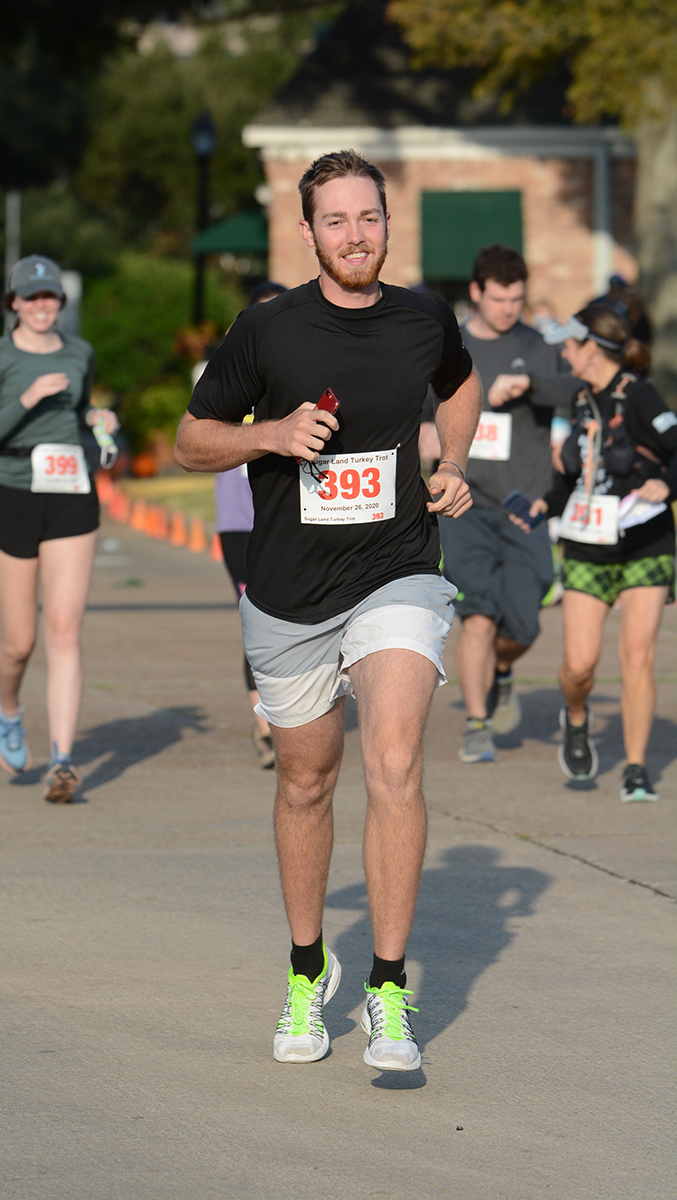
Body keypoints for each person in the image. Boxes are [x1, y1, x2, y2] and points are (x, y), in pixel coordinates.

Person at [175, 150, 481, 1071]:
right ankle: (310, 970)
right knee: (307, 778)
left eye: (370, 217)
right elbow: (193, 438)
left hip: (397, 569)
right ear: (308, 233)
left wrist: (452, 464)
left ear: (390, 222)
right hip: (287, 590)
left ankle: (390, 989)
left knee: (394, 759)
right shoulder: (266, 332)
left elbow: (459, 383)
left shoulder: (425, 316)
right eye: (337, 221)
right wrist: (268, 434)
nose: (357, 236)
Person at [0, 254, 118, 804]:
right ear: (14, 304)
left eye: (49, 296)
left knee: (65, 630)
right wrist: (25, 400)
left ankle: (62, 760)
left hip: (71, 491)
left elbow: (78, 416)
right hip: (9, 492)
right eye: (31, 297)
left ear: (59, 301)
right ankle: (7, 706)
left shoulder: (80, 354)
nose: (42, 305)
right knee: (19, 641)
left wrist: (99, 422)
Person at [425, 245, 580, 764]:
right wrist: (428, 441)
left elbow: (579, 389)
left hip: (525, 506)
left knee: (525, 621)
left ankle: (504, 671)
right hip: (465, 505)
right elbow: (419, 410)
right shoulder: (453, 346)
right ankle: (477, 723)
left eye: (516, 299)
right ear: (476, 293)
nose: (508, 308)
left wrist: (534, 384)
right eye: (498, 299)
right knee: (479, 614)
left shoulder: (539, 347)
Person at [514, 306, 676, 801]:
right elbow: (573, 478)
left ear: (592, 348)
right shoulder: (580, 399)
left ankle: (634, 767)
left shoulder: (640, 394)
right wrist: (545, 502)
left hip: (645, 545)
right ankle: (578, 717)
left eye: (569, 345)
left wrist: (663, 485)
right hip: (587, 547)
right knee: (580, 666)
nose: (564, 353)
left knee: (636, 657)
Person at [214, 282, 287, 769]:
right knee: (259, 618)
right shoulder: (228, 376)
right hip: (240, 522)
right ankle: (266, 725)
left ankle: (293, 716)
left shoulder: (304, 377)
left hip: (292, 516)